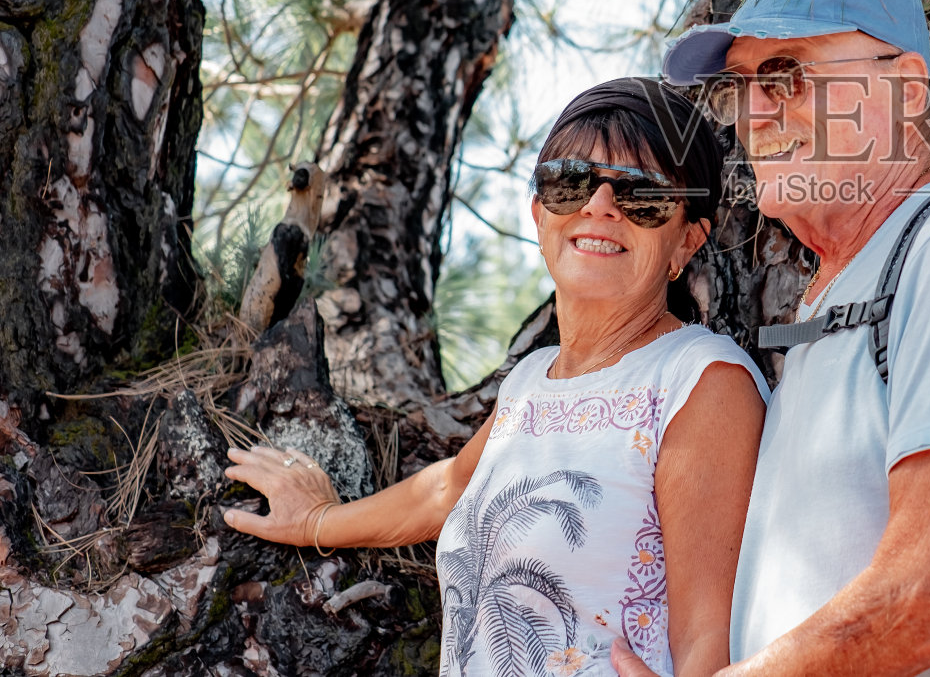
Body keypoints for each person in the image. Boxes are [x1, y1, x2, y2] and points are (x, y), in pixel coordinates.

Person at [614, 0, 930, 677]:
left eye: (784, 73)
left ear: (906, 89)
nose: (754, 113)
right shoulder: (843, 296)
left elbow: (926, 600)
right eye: (738, 89)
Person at [222, 78, 769, 677]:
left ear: (687, 240)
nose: (599, 206)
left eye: (643, 197)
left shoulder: (701, 382)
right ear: (539, 214)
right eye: (572, 182)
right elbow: (446, 489)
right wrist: (315, 520)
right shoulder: (533, 382)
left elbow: (711, 636)